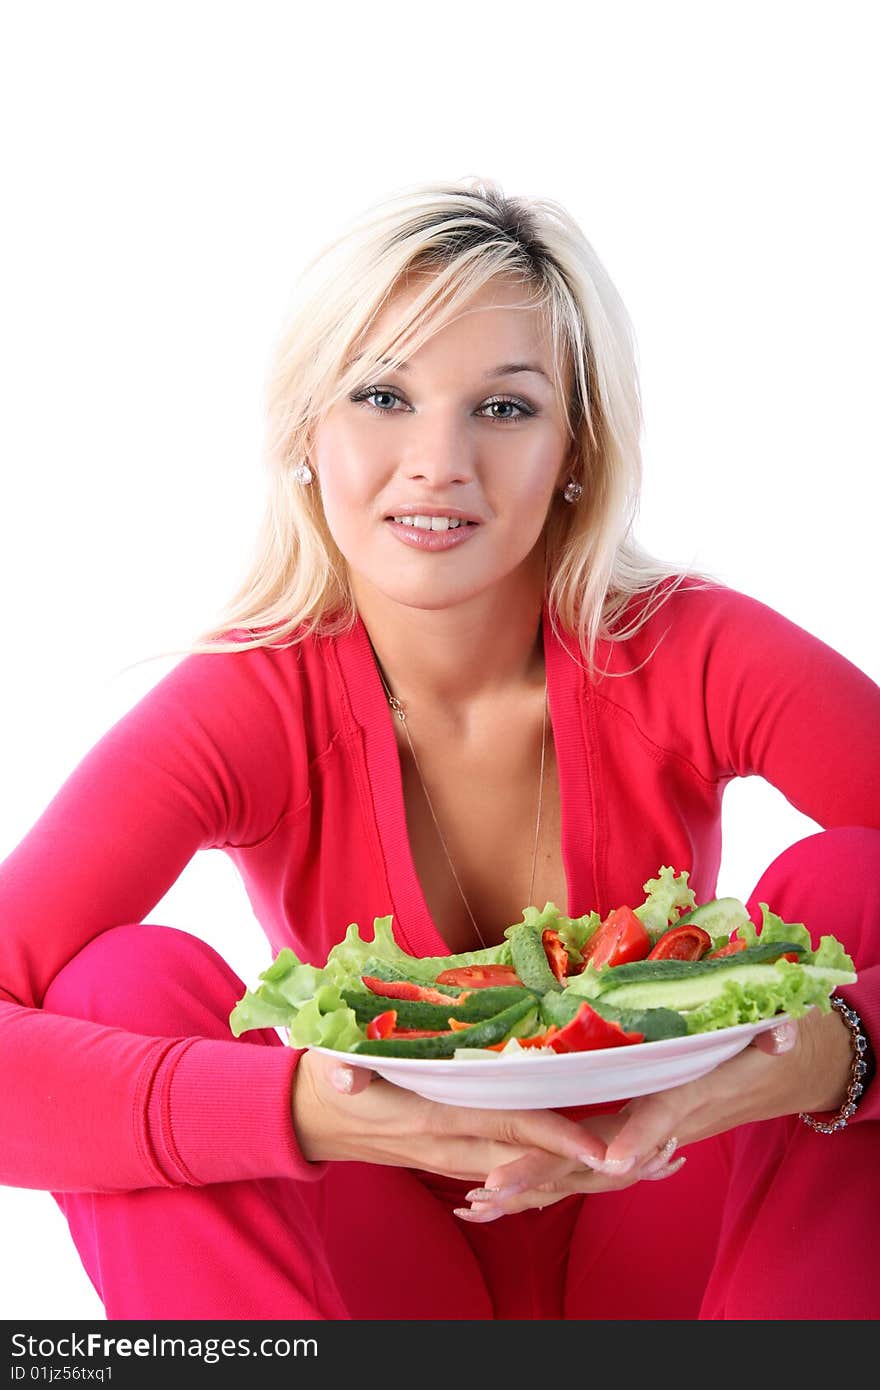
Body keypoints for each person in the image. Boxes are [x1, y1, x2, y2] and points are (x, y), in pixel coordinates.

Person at [1, 176, 878, 1322]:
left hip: (676, 1220)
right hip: (382, 1276)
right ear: (306, 434)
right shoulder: (249, 700)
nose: (437, 461)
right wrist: (296, 1107)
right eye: (381, 396)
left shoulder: (688, 650)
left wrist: (834, 1054)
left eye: (504, 408)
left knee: (849, 884)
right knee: (121, 985)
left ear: (576, 446)